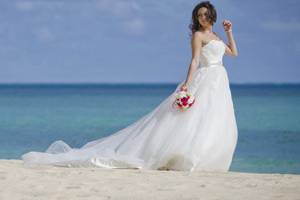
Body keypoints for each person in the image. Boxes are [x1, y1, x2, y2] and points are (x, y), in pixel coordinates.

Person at [22, 1, 238, 172]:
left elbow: (233, 53)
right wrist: (186, 88)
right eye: (199, 15)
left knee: (212, 120)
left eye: (205, 14)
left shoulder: (217, 36)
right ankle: (180, 157)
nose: (202, 18)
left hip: (219, 80)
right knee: (188, 120)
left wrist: (229, 32)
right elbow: (193, 61)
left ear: (212, 16)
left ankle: (206, 158)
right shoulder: (198, 35)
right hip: (203, 77)